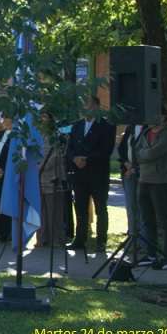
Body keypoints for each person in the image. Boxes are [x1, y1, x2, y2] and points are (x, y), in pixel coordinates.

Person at [65, 95, 116, 252]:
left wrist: (87, 159)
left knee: (100, 207)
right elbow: (70, 147)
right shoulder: (77, 125)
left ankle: (101, 240)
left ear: (96, 107)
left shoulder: (106, 125)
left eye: (86, 104)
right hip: (79, 173)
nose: (84, 107)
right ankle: (80, 239)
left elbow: (106, 149)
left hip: (97, 172)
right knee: (80, 207)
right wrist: (74, 158)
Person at [135, 108, 167, 270]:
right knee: (147, 219)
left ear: (163, 116)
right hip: (144, 180)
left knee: (164, 220)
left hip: (160, 182)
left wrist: (143, 154)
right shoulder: (146, 133)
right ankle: (151, 253)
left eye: (154, 115)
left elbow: (153, 153)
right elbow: (136, 152)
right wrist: (143, 154)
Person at [36, 110, 67, 247]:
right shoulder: (37, 136)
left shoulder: (57, 136)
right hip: (38, 177)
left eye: (45, 118)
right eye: (40, 118)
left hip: (52, 176)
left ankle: (56, 239)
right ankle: (42, 238)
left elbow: (58, 155)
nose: (42, 121)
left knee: (54, 210)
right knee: (41, 209)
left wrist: (42, 166)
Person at [117, 121, 148, 250]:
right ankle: (132, 237)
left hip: (142, 172)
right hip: (128, 172)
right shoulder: (131, 128)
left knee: (142, 207)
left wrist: (134, 167)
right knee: (131, 206)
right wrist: (127, 164)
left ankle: (143, 241)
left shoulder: (148, 128)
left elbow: (145, 152)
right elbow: (122, 148)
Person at [0, 114, 14, 242]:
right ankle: (0, 233)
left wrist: (4, 169)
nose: (3, 120)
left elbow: (13, 156)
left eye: (6, 117)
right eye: (3, 117)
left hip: (8, 174)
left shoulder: (16, 136)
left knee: (8, 203)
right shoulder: (0, 134)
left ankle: (10, 232)